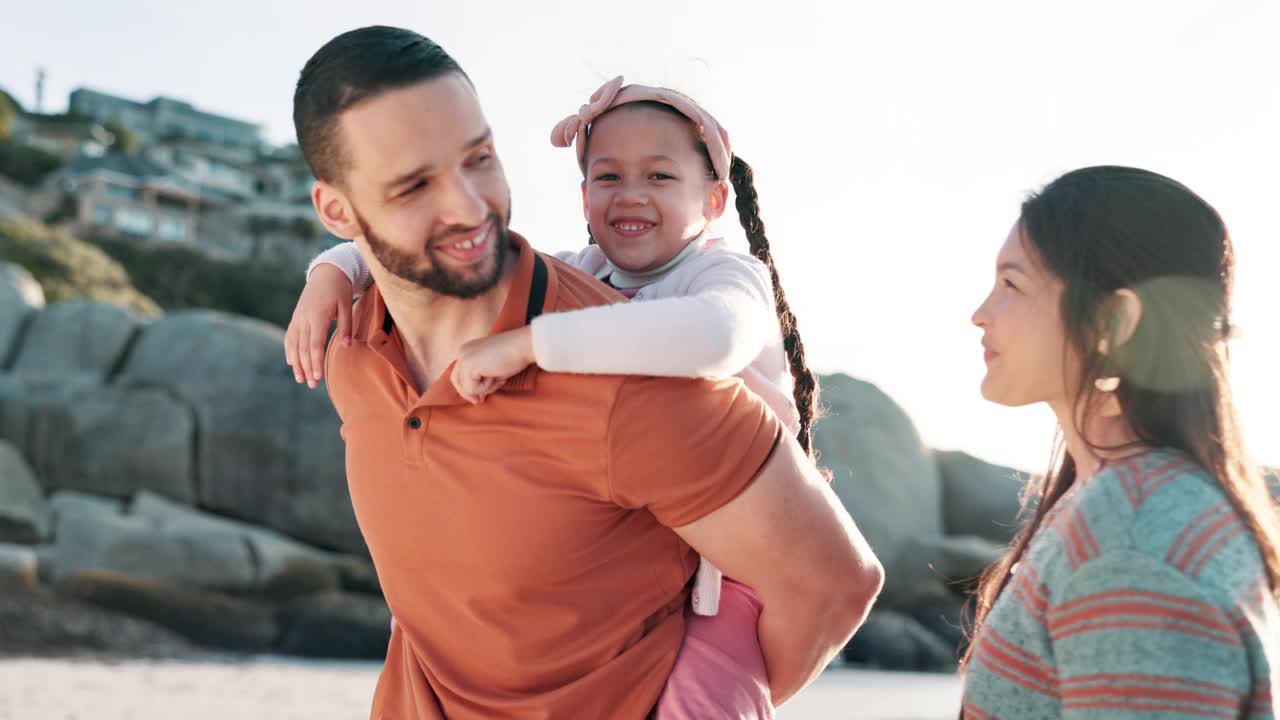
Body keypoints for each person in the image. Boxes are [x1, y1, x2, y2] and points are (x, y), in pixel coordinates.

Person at [290, 25, 883, 719]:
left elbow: (836, 583)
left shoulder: (645, 367)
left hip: (727, 583)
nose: (467, 208)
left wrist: (534, 346)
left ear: (713, 199)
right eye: (413, 184)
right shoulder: (348, 341)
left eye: (478, 159)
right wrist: (332, 267)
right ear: (338, 210)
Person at [963, 165, 1280, 718]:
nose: (980, 315)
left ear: (1112, 322)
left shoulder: (1132, 542)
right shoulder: (1126, 505)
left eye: (1011, 284)